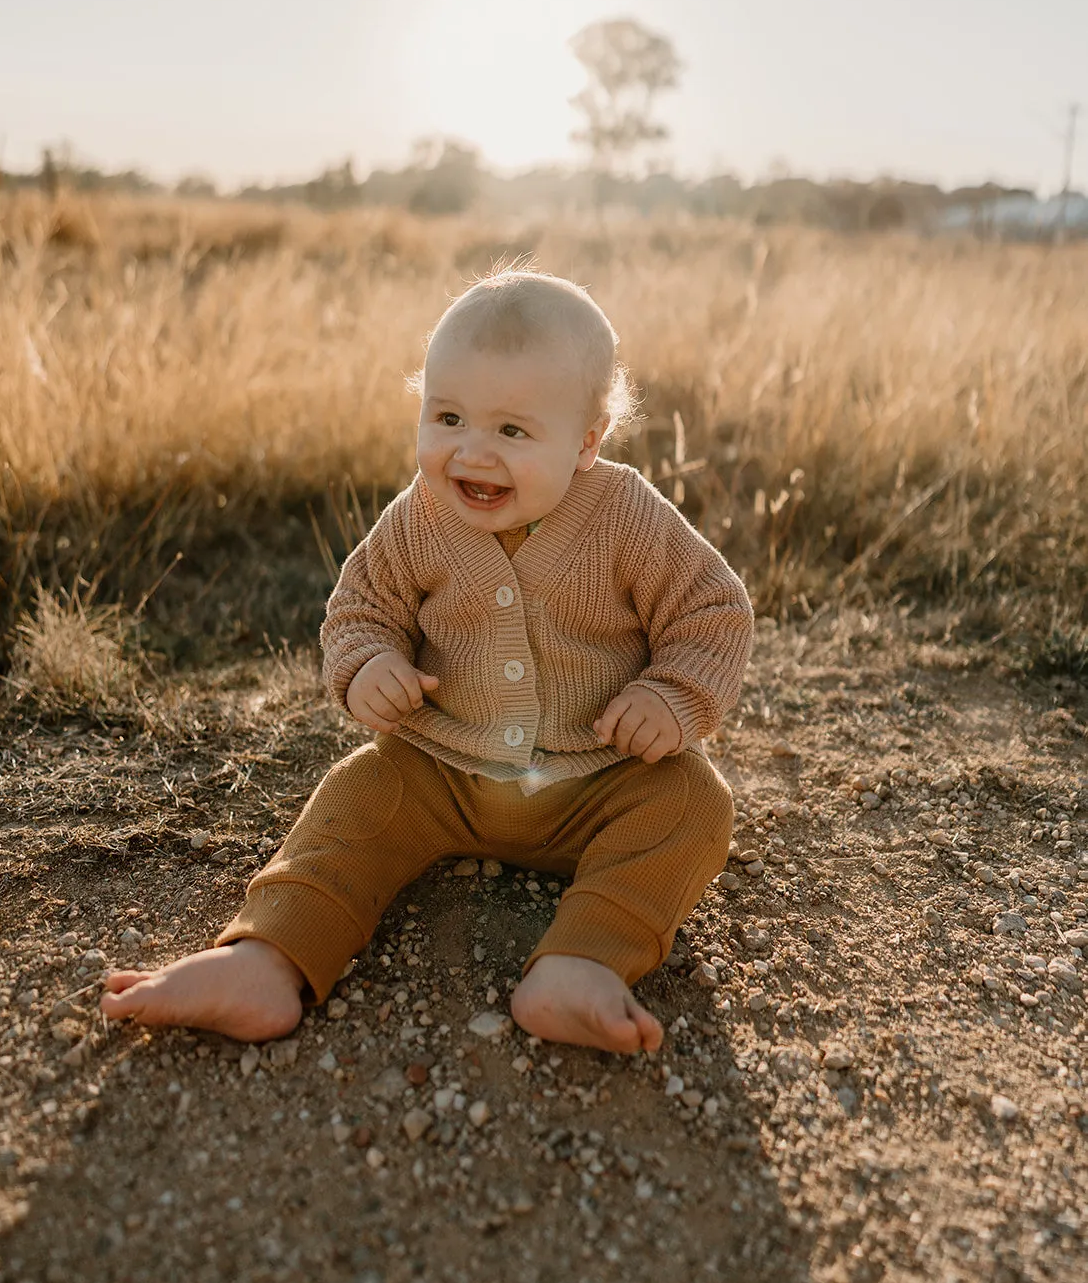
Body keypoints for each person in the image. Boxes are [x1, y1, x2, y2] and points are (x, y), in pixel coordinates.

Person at [101, 269, 754, 1053]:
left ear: (587, 442)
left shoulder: (629, 517)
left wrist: (674, 696)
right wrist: (367, 664)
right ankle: (265, 959)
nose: (471, 452)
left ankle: (582, 964)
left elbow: (713, 610)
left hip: (604, 780)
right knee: (359, 792)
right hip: (442, 773)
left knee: (692, 804)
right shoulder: (417, 519)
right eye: (447, 417)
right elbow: (361, 608)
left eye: (513, 432)